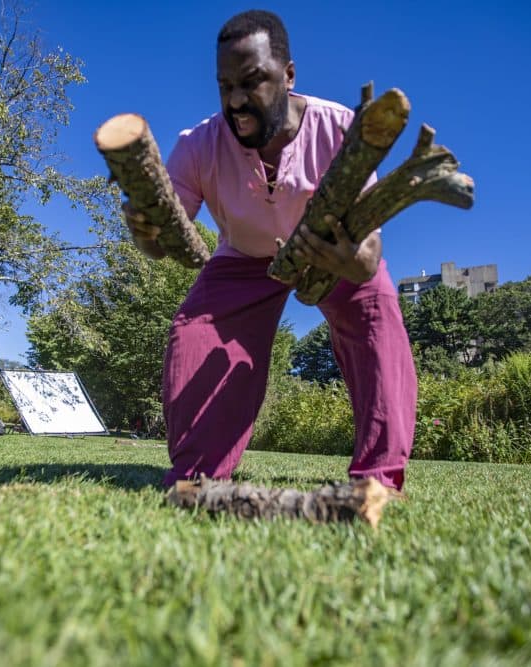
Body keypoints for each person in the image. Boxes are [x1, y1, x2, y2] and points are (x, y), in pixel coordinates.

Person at [123, 10, 417, 490]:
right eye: (224, 85)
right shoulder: (198, 145)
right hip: (242, 259)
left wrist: (344, 261)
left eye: (252, 81)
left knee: (377, 315)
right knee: (193, 331)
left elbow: (366, 256)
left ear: (289, 75)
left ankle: (379, 480)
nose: (236, 101)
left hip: (328, 251)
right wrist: (143, 227)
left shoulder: (342, 129)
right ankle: (198, 474)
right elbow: (159, 242)